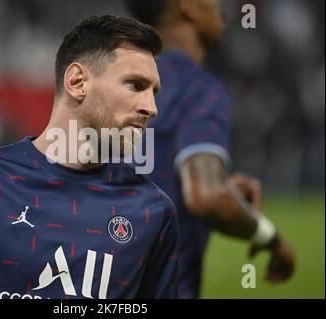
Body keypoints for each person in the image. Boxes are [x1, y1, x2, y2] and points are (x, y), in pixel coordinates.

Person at [0, 15, 179, 299]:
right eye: (135, 85)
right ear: (77, 81)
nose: (151, 107)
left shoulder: (152, 211)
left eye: (154, 92)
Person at [126, 0, 295, 298]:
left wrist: (221, 184)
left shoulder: (107, 84)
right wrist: (270, 238)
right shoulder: (197, 88)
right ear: (189, 7)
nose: (223, 9)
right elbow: (207, 197)